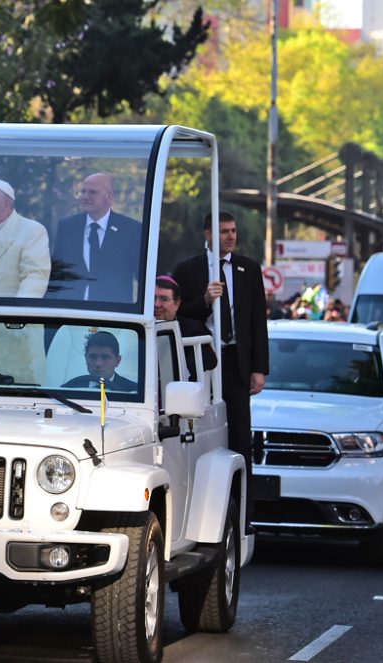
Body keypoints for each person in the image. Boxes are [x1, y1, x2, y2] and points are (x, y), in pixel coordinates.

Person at [171, 210, 268, 525]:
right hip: (203, 361)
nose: (231, 236)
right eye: (224, 231)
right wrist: (204, 298)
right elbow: (177, 314)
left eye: (234, 231)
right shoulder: (188, 269)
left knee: (241, 435)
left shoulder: (249, 269)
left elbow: (257, 321)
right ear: (208, 234)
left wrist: (259, 368)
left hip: (237, 359)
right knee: (206, 430)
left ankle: (244, 512)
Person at [49, 172, 141, 304]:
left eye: (93, 192)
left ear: (109, 196)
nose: (85, 197)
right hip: (70, 312)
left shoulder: (131, 229)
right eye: (83, 191)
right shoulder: (67, 226)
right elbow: (57, 274)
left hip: (113, 314)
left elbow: (141, 276)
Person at [154, 276, 217, 379]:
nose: (156, 304)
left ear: (177, 304)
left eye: (164, 299)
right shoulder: (138, 327)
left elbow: (209, 360)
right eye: (153, 298)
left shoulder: (193, 329)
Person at [62, 331, 137, 391]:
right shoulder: (68, 389)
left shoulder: (134, 391)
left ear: (117, 361)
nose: (98, 364)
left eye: (105, 357)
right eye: (92, 356)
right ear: (86, 358)